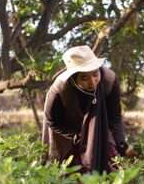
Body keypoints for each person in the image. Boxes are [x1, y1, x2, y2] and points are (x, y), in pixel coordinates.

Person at [42, 45, 131, 173]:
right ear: (74, 77)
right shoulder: (59, 89)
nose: (92, 82)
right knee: (68, 174)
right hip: (67, 132)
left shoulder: (109, 80)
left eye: (95, 74)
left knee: (109, 168)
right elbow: (52, 121)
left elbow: (115, 116)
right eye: (84, 78)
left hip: (98, 126)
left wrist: (122, 145)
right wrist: (76, 136)